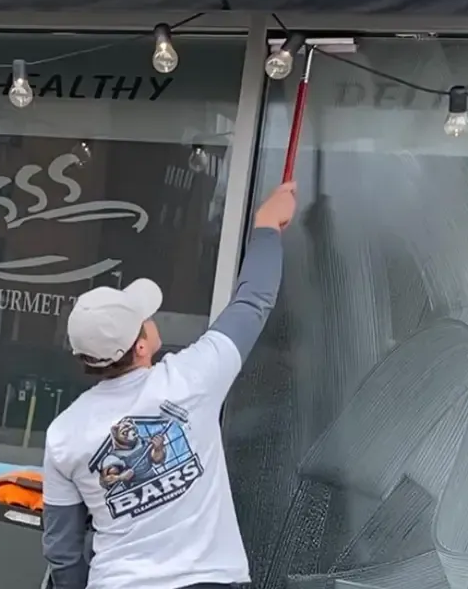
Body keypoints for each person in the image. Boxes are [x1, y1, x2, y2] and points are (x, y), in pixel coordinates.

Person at [42, 181, 298, 589]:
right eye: (145, 317)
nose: (151, 319)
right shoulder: (191, 378)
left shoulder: (63, 435)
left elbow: (62, 547)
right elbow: (252, 302)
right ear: (141, 345)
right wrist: (267, 226)